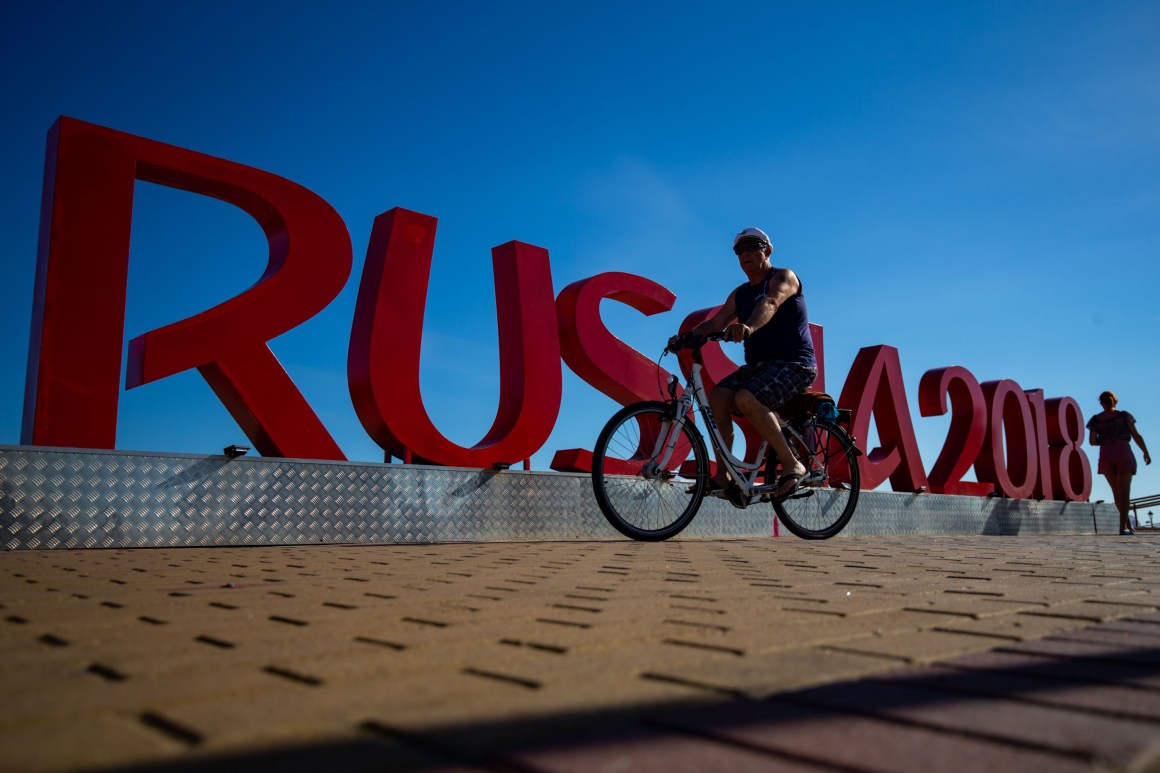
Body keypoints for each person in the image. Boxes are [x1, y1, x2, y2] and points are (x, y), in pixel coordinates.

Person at [689, 227, 818, 499]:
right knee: (718, 397)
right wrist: (685, 338)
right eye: (739, 250)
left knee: (747, 398)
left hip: (794, 363)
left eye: (752, 247)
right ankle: (723, 475)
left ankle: (793, 464)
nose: (745, 253)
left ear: (767, 251)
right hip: (760, 367)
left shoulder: (784, 277)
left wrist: (747, 326)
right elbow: (715, 322)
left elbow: (771, 302)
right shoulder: (740, 294)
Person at [1087, 391, 1151, 535]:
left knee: (1116, 493)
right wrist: (1145, 452)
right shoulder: (1124, 416)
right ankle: (1123, 527)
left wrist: (1105, 440)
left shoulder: (1095, 420)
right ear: (1115, 401)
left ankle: (1127, 524)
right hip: (1123, 452)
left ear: (1102, 403)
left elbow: (1091, 441)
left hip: (1106, 454)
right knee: (1124, 493)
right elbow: (1135, 435)